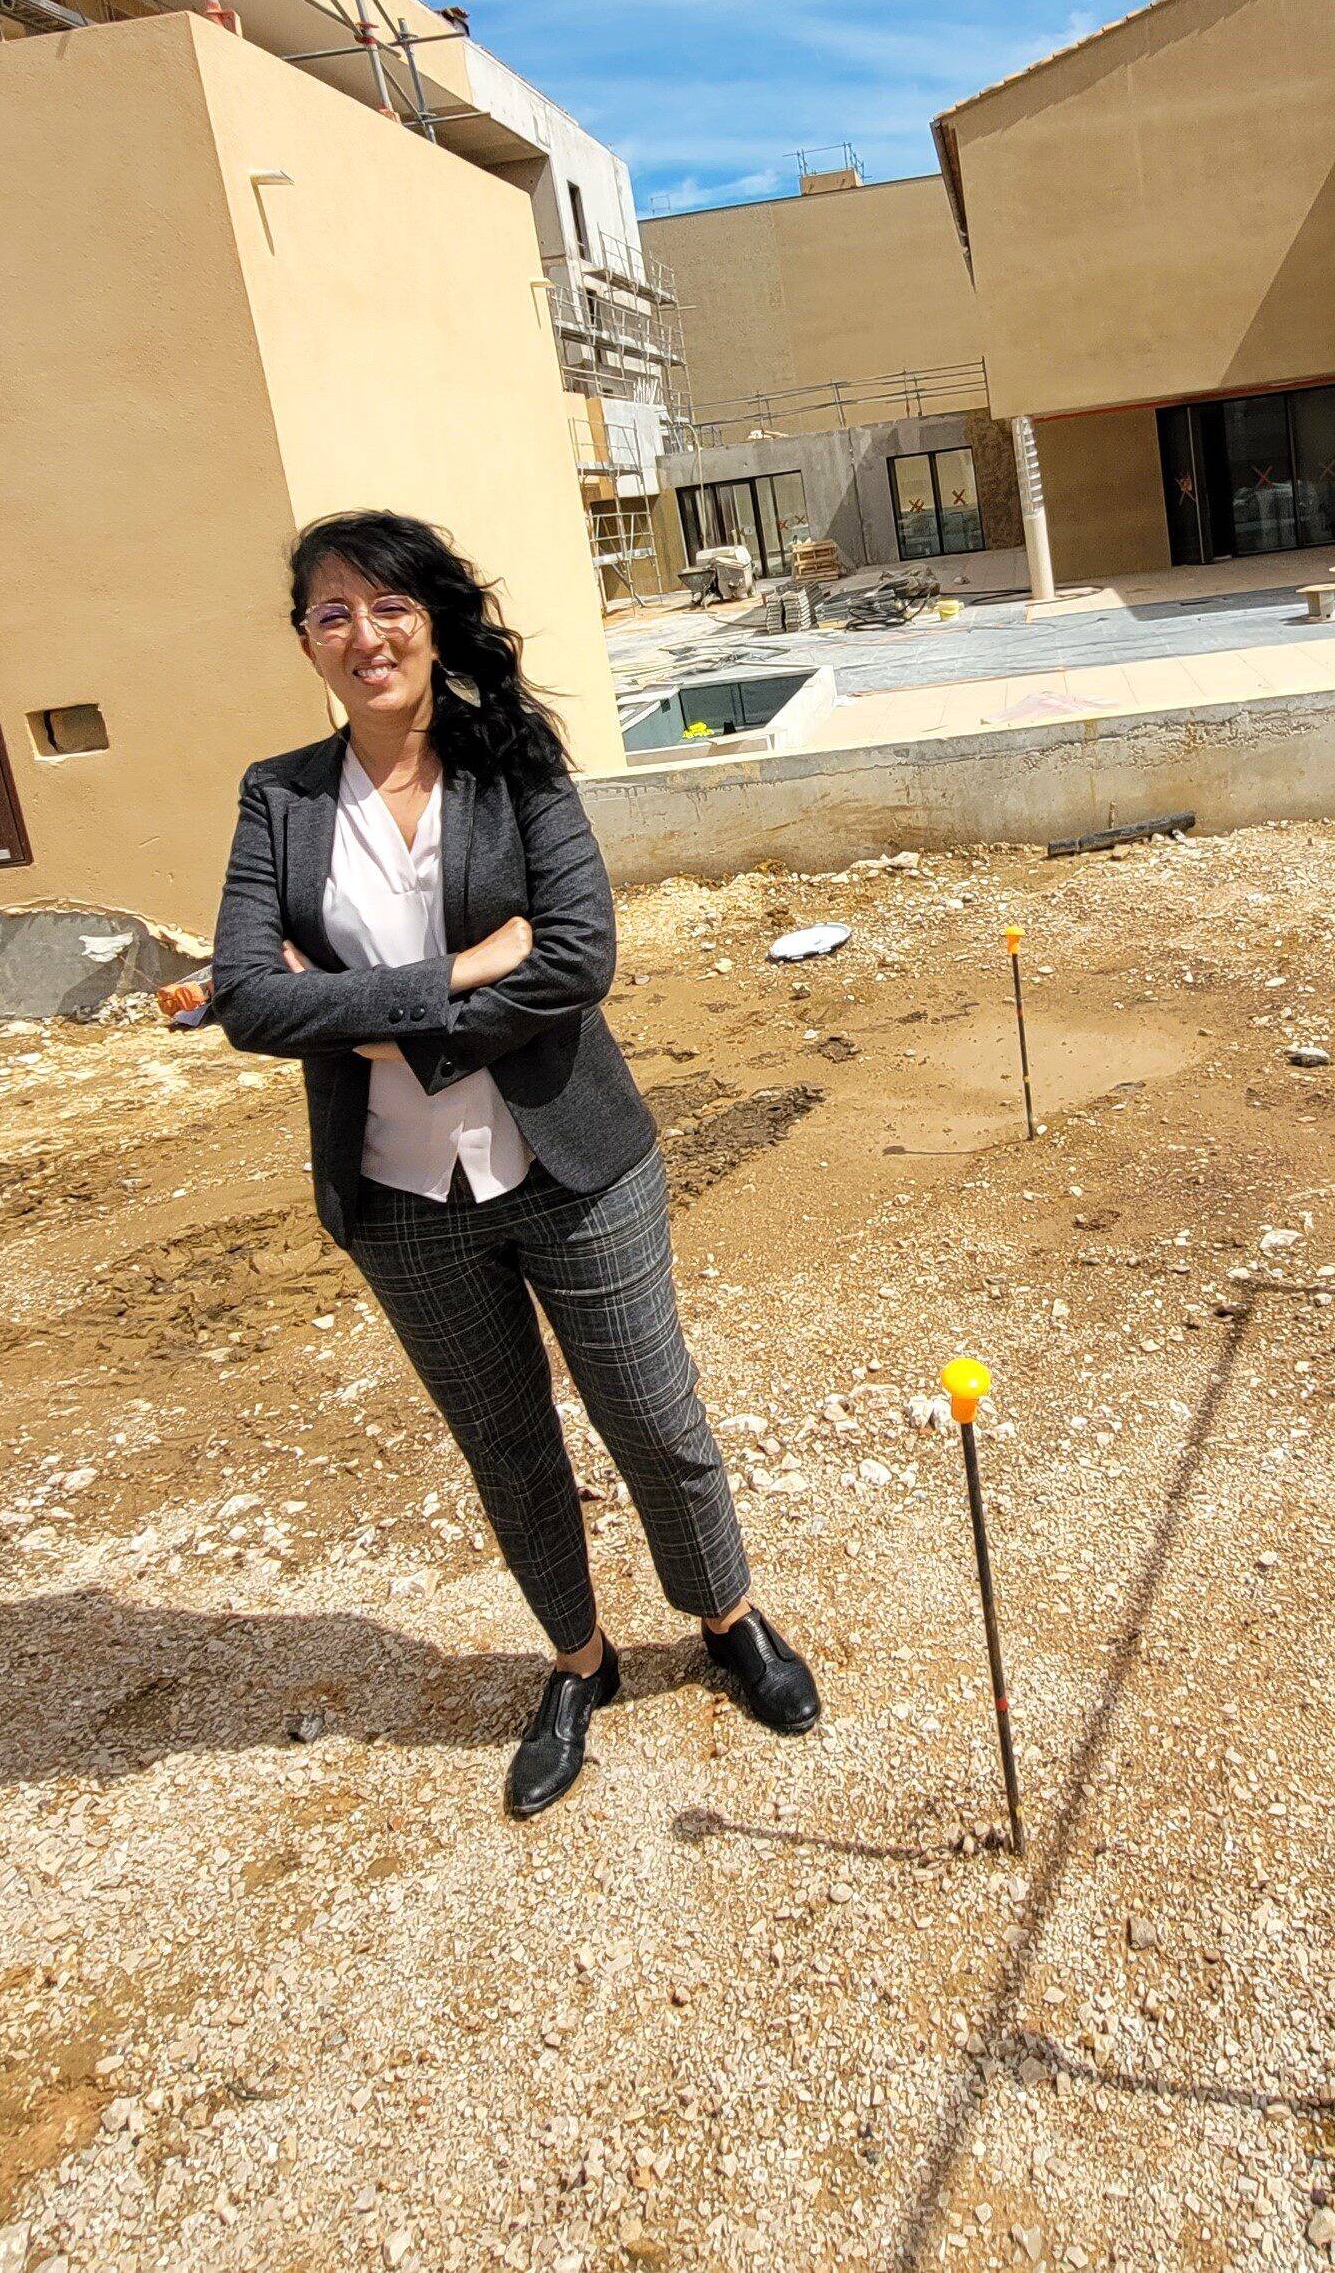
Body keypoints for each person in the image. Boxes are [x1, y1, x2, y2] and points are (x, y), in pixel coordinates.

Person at [208, 509, 818, 1818]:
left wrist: (358, 1015)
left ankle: (727, 1618)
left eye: (388, 607)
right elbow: (248, 999)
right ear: (305, 641)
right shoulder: (279, 799)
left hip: (574, 1166)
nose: (365, 636)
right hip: (398, 1197)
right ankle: (579, 1663)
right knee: (504, 1443)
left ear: (431, 622)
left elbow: (577, 960)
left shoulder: (515, 762)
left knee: (652, 1414)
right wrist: (460, 974)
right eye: (332, 613)